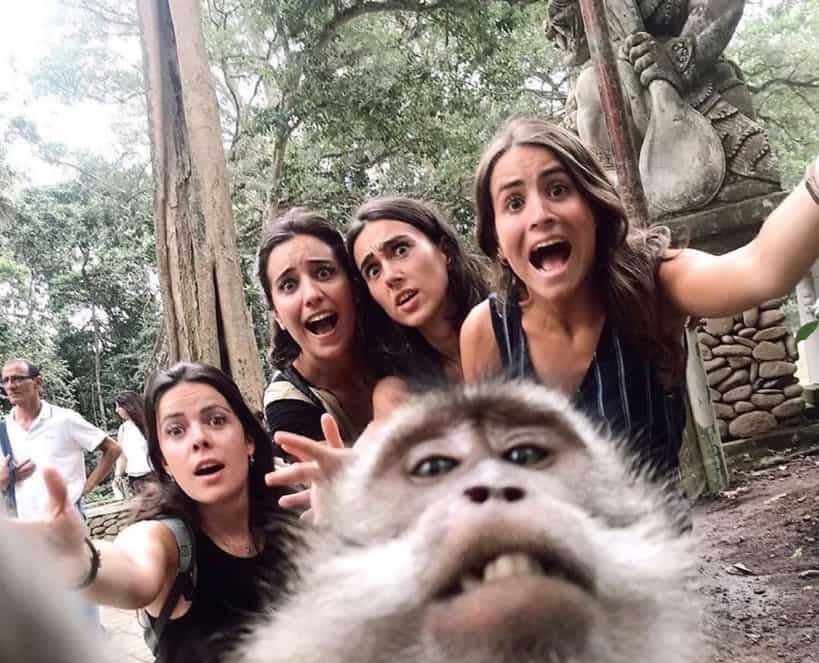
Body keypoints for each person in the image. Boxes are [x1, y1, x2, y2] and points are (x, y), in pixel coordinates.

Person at [460, 117, 819, 476]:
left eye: (557, 190)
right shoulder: (487, 333)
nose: (540, 215)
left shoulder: (653, 282)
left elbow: (760, 269)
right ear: (497, 243)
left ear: (594, 210)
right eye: (514, 203)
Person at [12, 362, 292, 663]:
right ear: (163, 463)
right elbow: (134, 572)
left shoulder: (294, 517)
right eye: (176, 431)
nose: (199, 439)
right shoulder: (166, 538)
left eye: (216, 420)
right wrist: (79, 561)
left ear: (248, 439)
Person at [257, 208, 381, 453]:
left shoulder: (399, 343)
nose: (312, 295)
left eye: (323, 272)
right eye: (289, 285)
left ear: (354, 286)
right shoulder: (287, 400)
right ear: (278, 315)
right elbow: (330, 480)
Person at [346, 196, 488, 383]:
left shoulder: (514, 323)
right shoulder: (399, 391)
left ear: (444, 251)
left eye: (400, 250)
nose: (390, 277)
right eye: (373, 270)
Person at [0, 358, 120, 518]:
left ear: (38, 382)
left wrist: (87, 487)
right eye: (5, 380)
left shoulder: (64, 419)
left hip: (67, 523)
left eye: (17, 379)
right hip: (24, 529)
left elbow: (113, 449)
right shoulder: (3, 430)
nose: (10, 386)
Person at [114, 390, 156, 495]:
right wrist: (118, 475)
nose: (117, 410)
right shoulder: (123, 429)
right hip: (135, 480)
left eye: (119, 406)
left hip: (153, 476)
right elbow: (122, 456)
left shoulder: (150, 424)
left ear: (128, 406)